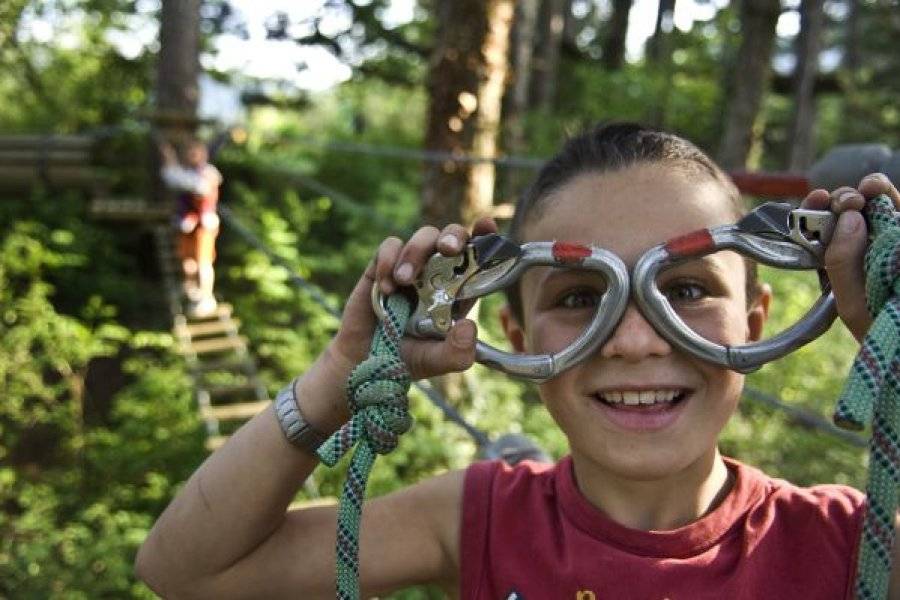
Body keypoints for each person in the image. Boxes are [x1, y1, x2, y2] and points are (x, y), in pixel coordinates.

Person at [135, 123, 900, 598]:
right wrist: (341, 375)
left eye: (689, 288)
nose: (635, 340)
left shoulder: (849, 545)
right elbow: (188, 572)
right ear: (519, 333)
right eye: (578, 297)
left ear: (758, 319)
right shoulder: (478, 521)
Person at [159, 138, 224, 318]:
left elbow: (194, 185)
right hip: (187, 223)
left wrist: (171, 163)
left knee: (204, 261)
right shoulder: (188, 172)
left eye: (196, 152)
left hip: (204, 225)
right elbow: (175, 179)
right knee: (187, 259)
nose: (193, 156)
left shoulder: (208, 173)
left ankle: (206, 297)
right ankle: (190, 288)